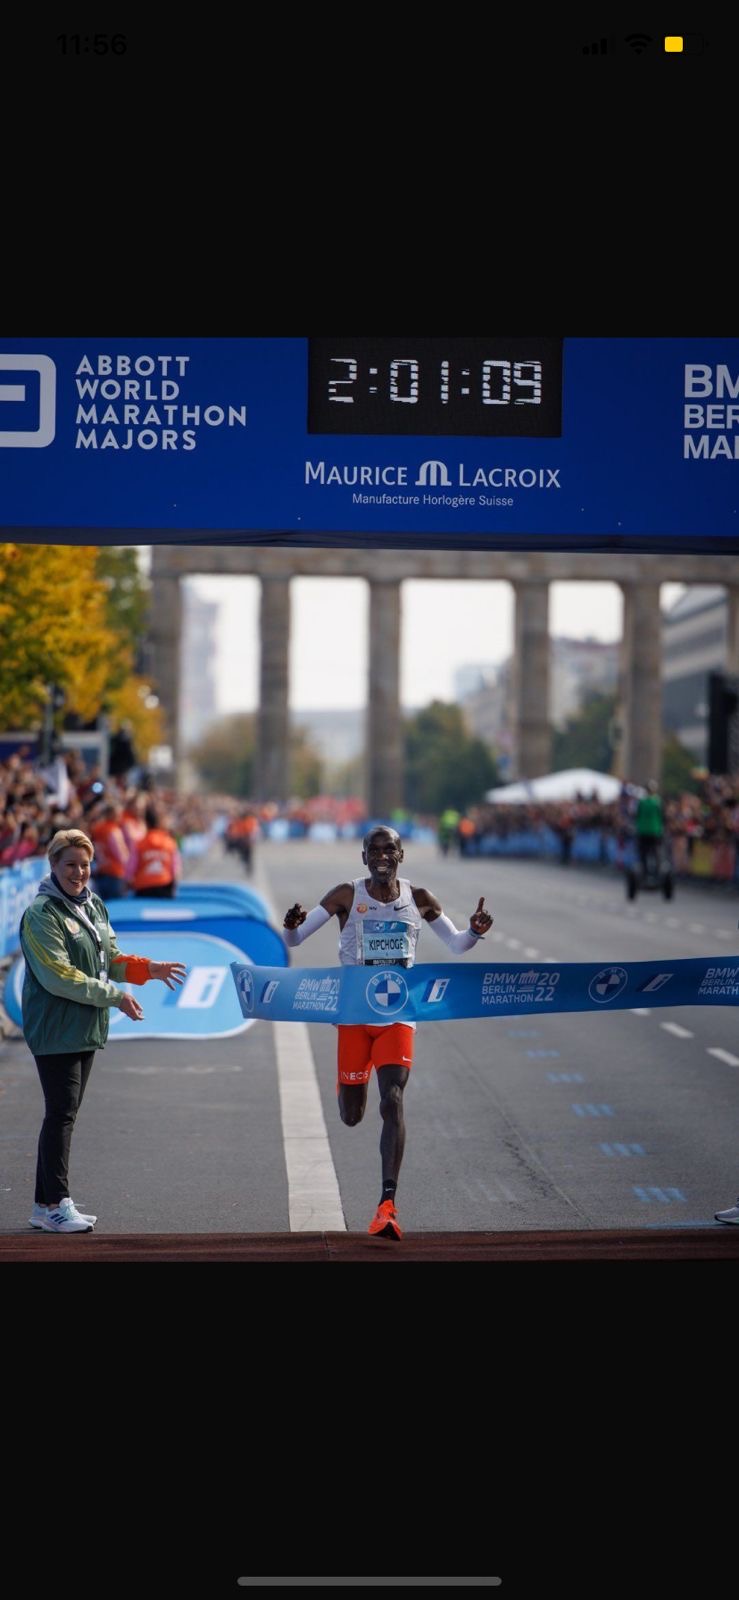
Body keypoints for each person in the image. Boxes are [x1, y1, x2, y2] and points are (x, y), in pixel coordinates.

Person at [282, 824, 493, 1240]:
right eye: (373, 850)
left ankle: (387, 1204)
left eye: (389, 849)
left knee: (393, 1098)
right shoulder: (346, 894)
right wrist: (291, 925)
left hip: (398, 1012)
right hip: (354, 1017)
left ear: (401, 856)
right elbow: (296, 939)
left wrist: (474, 932)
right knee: (352, 1115)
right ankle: (346, 1086)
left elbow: (455, 944)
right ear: (363, 857)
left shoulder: (419, 899)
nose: (382, 856)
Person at [20, 828, 186, 1233]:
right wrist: (115, 996)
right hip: (55, 1026)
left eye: (84, 864)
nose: (79, 872)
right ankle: (58, 1202)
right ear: (54, 866)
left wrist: (149, 969)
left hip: (85, 1024)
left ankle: (45, 1205)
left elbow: (109, 957)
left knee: (64, 1113)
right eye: (70, 865)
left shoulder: (92, 904)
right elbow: (60, 975)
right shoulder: (43, 913)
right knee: (61, 1113)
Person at [130, 804, 181, 898]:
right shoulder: (170, 842)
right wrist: (174, 889)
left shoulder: (140, 843)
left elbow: (131, 868)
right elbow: (175, 868)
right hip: (164, 887)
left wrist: (127, 885)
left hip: (143, 889)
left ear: (146, 823)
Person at [635, 779, 665, 878]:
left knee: (643, 853)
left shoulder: (642, 802)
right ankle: (657, 872)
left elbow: (637, 816)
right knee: (656, 852)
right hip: (655, 831)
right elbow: (663, 817)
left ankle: (645, 872)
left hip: (643, 831)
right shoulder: (658, 802)